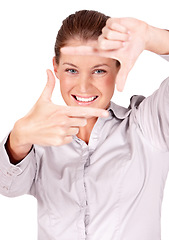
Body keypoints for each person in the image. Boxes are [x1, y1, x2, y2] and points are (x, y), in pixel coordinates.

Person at [0, 9, 169, 240]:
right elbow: (8, 187)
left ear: (119, 67)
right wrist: (17, 139)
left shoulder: (148, 126)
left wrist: (153, 37)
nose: (83, 87)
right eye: (71, 70)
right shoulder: (39, 140)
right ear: (56, 68)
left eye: (99, 70)